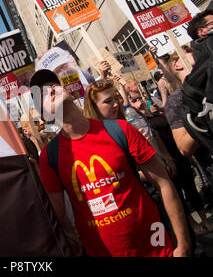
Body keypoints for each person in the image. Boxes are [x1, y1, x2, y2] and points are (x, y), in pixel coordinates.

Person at [30, 69, 191, 257]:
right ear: (43, 116)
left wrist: (183, 244)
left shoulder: (121, 130)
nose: (51, 89)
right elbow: (54, 215)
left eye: (54, 84)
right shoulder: (50, 156)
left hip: (155, 248)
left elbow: (163, 183)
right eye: (41, 94)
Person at [128, 91, 213, 235]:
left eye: (140, 98)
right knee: (178, 194)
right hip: (165, 162)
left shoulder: (158, 115)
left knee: (191, 189)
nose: (139, 101)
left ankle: (204, 219)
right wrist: (166, 159)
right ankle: (192, 223)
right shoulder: (139, 124)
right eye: (134, 100)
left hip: (178, 155)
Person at [164, 51, 213, 198]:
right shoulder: (176, 101)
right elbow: (184, 148)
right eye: (191, 52)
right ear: (178, 64)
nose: (199, 54)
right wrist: (204, 118)